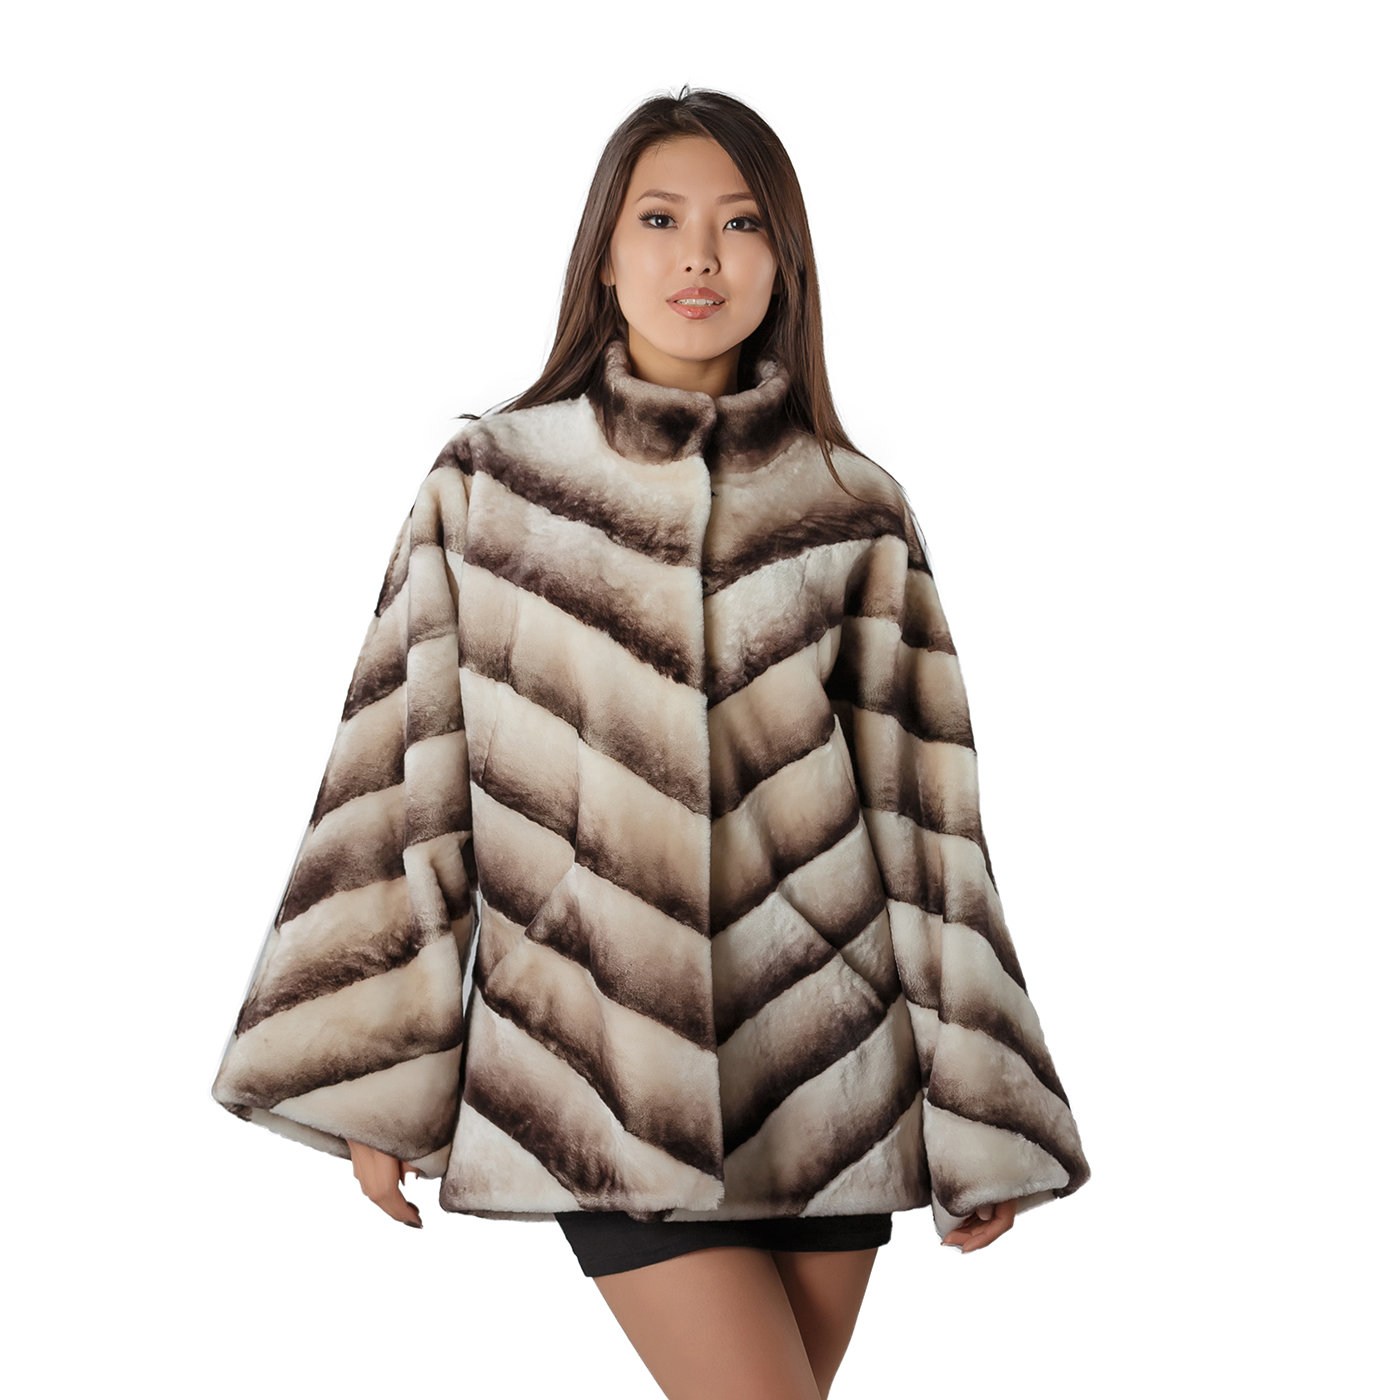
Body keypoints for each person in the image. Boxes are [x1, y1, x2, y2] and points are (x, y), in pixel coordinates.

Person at [212, 87, 1090, 1400]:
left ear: (784, 261)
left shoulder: (852, 507)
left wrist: (982, 1108)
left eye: (742, 224)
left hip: (828, 1077)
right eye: (662, 220)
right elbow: (401, 782)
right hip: (599, 1070)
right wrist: (373, 1080)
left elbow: (930, 829)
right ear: (605, 256)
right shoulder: (491, 486)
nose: (702, 257)